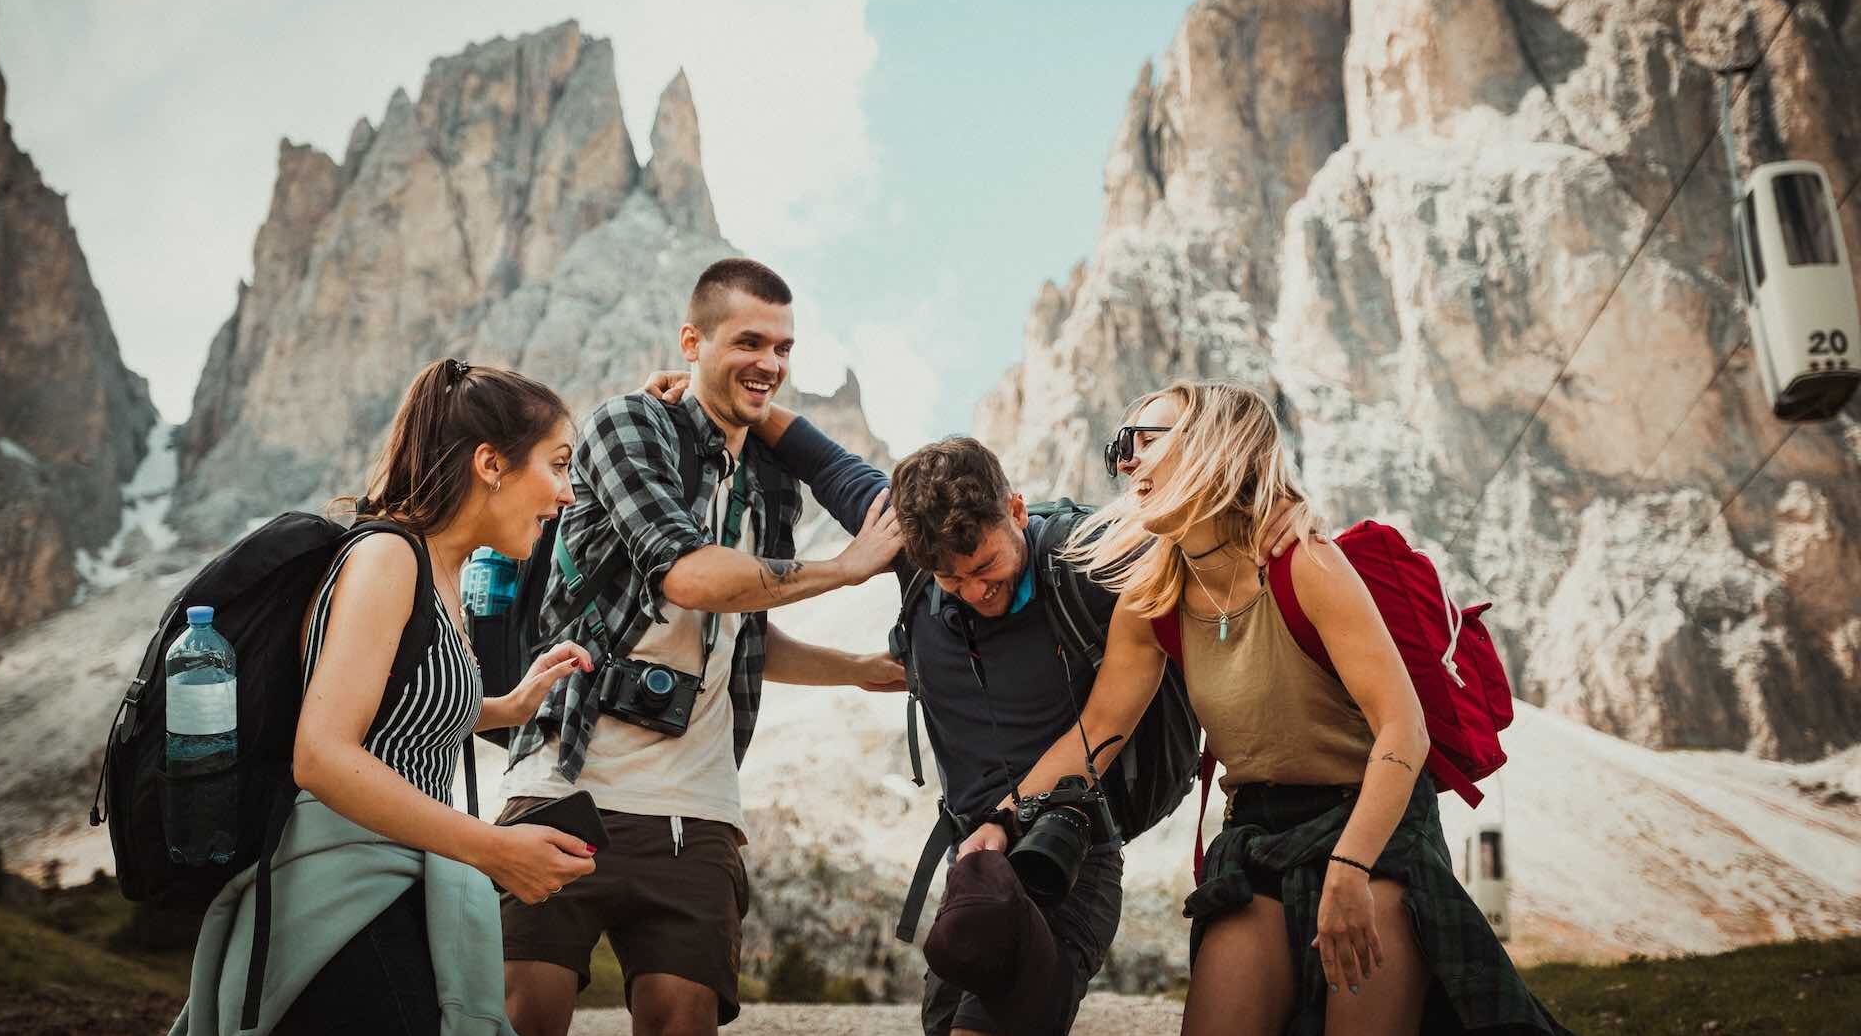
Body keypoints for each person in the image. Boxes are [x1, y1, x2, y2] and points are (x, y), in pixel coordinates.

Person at [628, 375, 1299, 1036]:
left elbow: (1206, 531)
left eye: (986, 567)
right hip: (975, 862)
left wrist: (1282, 513)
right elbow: (821, 459)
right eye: (952, 578)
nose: (975, 589)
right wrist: (710, 389)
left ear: (1014, 509)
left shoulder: (1088, 557)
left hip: (1068, 853)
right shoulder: (913, 554)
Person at [1015, 378, 1570, 1036]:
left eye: (1142, 441)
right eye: (1118, 448)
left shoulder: (1304, 563)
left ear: (1211, 444)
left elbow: (1405, 729)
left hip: (1374, 821)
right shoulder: (1151, 598)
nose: (1124, 462)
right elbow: (1098, 730)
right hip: (1257, 832)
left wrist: (1353, 864)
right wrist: (999, 819)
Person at [499, 258, 907, 1036]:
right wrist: (844, 570)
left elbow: (744, 627)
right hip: (567, 777)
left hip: (699, 808)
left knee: (684, 1020)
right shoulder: (629, 425)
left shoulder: (772, 480)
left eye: (784, 348)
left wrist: (858, 672)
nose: (771, 363)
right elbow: (688, 576)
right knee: (524, 1016)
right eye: (749, 341)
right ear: (692, 339)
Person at [272, 358, 604, 1033]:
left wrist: (508, 704)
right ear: (491, 463)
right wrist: (493, 848)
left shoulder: (439, 572)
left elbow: (390, 702)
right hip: (342, 901)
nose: (567, 494)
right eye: (558, 464)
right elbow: (321, 753)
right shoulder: (389, 558)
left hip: (393, 885)